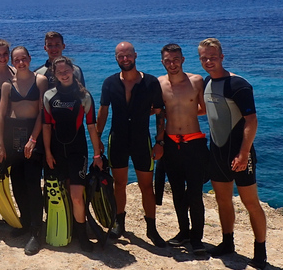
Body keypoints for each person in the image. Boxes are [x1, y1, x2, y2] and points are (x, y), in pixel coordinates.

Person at [198, 38, 268, 269]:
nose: (208, 61)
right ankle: (227, 243)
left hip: (240, 153)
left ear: (221, 57)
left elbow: (252, 120)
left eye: (213, 57)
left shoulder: (238, 85)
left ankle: (260, 251)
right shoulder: (207, 82)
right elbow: (205, 111)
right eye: (204, 58)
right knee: (222, 200)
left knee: (251, 203)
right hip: (217, 151)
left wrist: (244, 153)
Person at [95, 41, 167, 247]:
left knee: (146, 185)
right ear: (116, 58)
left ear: (135, 55)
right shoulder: (109, 83)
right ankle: (119, 223)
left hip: (141, 140)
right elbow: (103, 111)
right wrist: (97, 137)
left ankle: (152, 228)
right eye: (120, 56)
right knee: (120, 184)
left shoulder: (151, 82)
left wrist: (159, 141)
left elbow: (160, 112)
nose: (125, 59)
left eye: (128, 55)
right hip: (117, 138)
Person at [42, 56, 102, 252]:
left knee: (77, 195)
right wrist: (48, 152)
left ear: (73, 71)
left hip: (78, 151)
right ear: (54, 74)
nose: (64, 74)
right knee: (60, 194)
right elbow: (47, 126)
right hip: (57, 152)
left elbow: (91, 127)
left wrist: (97, 154)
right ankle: (67, 228)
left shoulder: (84, 96)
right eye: (59, 72)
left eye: (66, 70)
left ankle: (82, 235)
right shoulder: (49, 96)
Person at [0, 46, 48, 255]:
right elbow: (1, 116)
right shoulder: (8, 86)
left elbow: (43, 113)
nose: (20, 62)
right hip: (13, 134)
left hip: (34, 134)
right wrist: (0, 143)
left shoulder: (40, 81)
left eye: (24, 59)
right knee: (17, 182)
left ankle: (37, 230)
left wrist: (34, 139)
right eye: (16, 60)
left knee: (33, 183)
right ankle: (25, 222)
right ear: (12, 61)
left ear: (29, 59)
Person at [157, 43, 208, 255]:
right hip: (170, 144)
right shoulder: (159, 83)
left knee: (195, 193)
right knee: (177, 192)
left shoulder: (196, 81)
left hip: (194, 143)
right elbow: (159, 114)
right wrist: (158, 142)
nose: (172, 64)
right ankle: (183, 232)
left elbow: (204, 109)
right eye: (168, 61)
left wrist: (184, 113)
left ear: (183, 60)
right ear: (162, 62)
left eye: (175, 59)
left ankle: (197, 238)